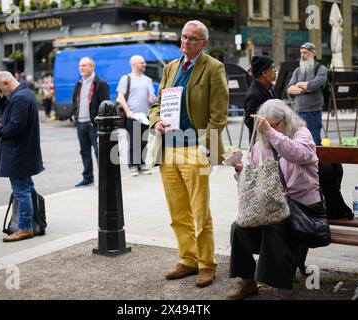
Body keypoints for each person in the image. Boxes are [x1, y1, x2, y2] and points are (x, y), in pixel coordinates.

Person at [149, 20, 228, 288]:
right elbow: (157, 104)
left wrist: (205, 148)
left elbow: (218, 115)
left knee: (200, 213)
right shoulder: (170, 67)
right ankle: (188, 259)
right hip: (168, 149)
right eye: (184, 37)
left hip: (195, 149)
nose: (186, 42)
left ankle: (207, 264)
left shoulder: (214, 68)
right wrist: (156, 121)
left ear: (204, 43)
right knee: (177, 213)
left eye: (193, 38)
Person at [227, 99, 323, 300]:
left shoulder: (301, 134)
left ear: (286, 121)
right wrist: (240, 171)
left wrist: (271, 133)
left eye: (274, 124)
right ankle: (247, 282)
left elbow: (300, 154)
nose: (268, 130)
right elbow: (251, 186)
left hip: (302, 205)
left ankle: (283, 290)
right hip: (272, 204)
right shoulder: (260, 144)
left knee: (276, 225)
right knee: (239, 226)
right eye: (265, 125)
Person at [0, 71, 44, 242]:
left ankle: (26, 228)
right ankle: (33, 224)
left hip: (19, 153)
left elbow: (14, 126)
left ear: (6, 82)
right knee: (26, 188)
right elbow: (10, 113)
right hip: (24, 152)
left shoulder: (20, 97)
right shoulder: (22, 94)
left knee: (21, 191)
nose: (0, 94)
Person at [72, 57, 109, 187]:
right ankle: (88, 177)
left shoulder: (100, 83)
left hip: (94, 124)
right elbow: (75, 101)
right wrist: (74, 114)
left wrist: (100, 122)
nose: (81, 68)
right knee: (84, 152)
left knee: (99, 151)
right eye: (80, 66)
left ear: (92, 67)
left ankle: (105, 178)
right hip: (81, 123)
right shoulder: (78, 84)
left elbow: (105, 104)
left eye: (84, 65)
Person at [116, 55, 156, 176]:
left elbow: (152, 97)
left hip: (145, 115)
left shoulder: (148, 80)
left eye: (144, 63)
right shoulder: (126, 78)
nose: (144, 65)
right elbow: (120, 96)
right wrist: (128, 111)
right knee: (134, 142)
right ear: (134, 64)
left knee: (143, 141)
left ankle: (142, 164)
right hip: (133, 115)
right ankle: (133, 165)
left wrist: (152, 99)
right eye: (141, 63)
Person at [287, 42, 327, 145]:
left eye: (305, 53)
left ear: (313, 53)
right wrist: (305, 90)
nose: (302, 55)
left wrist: (299, 84)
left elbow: (314, 85)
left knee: (314, 143)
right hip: (297, 112)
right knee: (298, 142)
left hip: (313, 112)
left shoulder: (321, 69)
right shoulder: (297, 70)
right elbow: (290, 89)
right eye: (301, 53)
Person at [243, 55, 277, 141]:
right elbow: (250, 122)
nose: (275, 70)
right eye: (272, 68)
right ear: (264, 73)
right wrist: (270, 124)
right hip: (261, 143)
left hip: (272, 139)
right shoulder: (253, 94)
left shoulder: (269, 87)